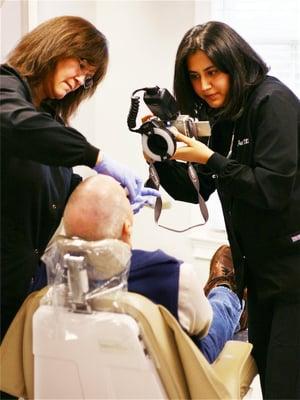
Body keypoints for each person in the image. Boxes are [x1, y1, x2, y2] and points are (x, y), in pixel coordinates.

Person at [149, 21, 300, 399]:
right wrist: (161, 156)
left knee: (285, 385)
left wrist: (211, 158)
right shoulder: (223, 116)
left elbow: (271, 190)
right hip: (259, 278)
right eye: (195, 77)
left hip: (293, 275)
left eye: (213, 73)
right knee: (273, 382)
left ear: (235, 62)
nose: (204, 87)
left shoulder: (272, 102)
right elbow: (193, 191)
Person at [0, 16, 159, 343]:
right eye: (82, 64)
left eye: (88, 78)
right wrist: (98, 159)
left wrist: (112, 194)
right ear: (55, 47)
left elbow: (56, 187)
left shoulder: (48, 121)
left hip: (24, 283)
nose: (81, 79)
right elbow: (18, 126)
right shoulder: (6, 88)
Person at [61, 174, 245, 364]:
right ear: (127, 228)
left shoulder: (47, 277)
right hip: (164, 383)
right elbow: (203, 325)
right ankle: (228, 292)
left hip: (87, 375)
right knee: (217, 311)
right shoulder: (170, 275)